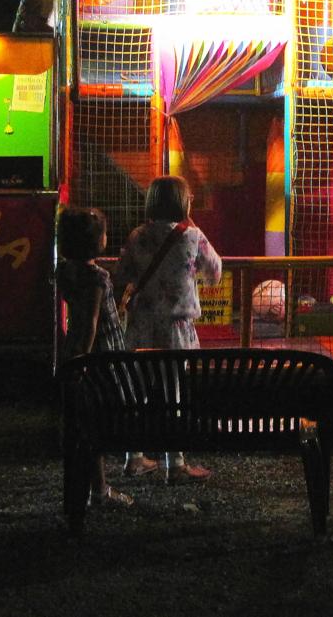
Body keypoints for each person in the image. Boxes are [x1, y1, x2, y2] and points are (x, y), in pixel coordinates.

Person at [114, 175, 222, 484]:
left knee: (137, 391)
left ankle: (133, 458)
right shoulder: (192, 236)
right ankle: (174, 461)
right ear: (184, 202)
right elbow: (215, 272)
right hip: (176, 327)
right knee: (174, 392)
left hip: (140, 325)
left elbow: (123, 273)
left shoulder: (137, 236)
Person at [56, 206, 140, 507]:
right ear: (98, 242)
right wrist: (86, 359)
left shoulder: (63, 271)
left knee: (84, 421)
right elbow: (91, 322)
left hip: (74, 351)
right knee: (100, 420)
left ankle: (97, 488)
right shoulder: (98, 277)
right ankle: (101, 489)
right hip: (100, 356)